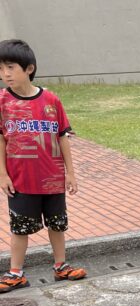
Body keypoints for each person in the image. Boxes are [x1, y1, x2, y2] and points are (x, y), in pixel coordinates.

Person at [0, 39, 85, 293]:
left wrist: (70, 173)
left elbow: (62, 136)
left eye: (11, 67)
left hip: (52, 179)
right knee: (20, 228)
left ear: (29, 68)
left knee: (57, 225)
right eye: (1, 68)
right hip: (21, 180)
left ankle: (61, 267)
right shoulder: (2, 102)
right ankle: (15, 273)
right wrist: (2, 174)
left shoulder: (51, 100)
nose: (5, 74)